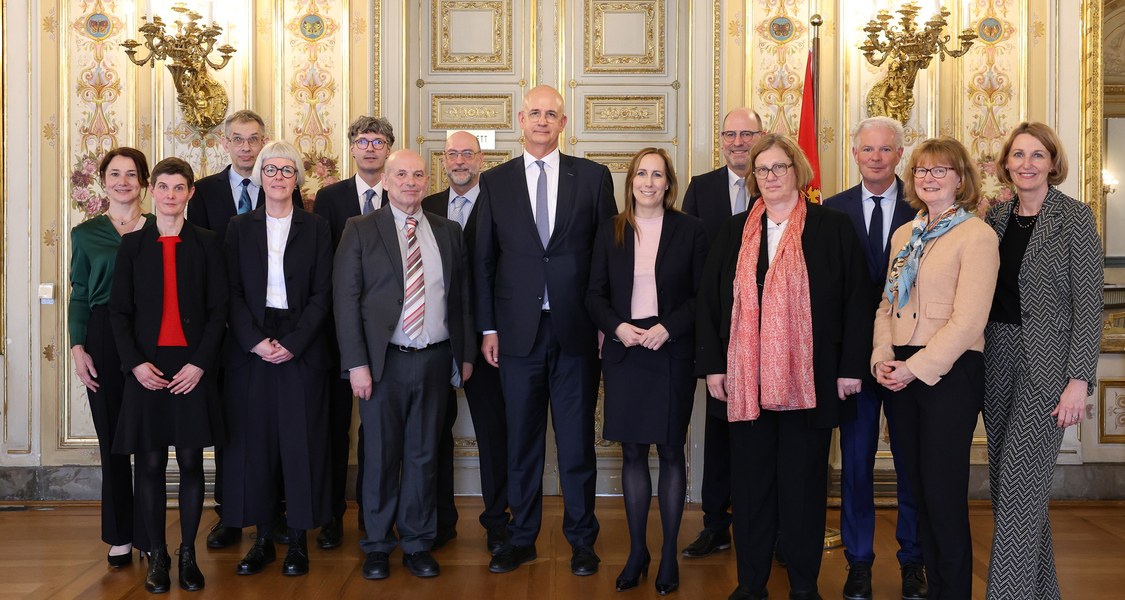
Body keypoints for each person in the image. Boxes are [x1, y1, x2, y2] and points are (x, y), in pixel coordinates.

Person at [697, 133, 870, 600]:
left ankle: (803, 586)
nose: (770, 177)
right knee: (751, 493)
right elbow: (710, 303)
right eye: (762, 170)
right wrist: (714, 367)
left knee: (803, 491)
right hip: (745, 382)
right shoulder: (734, 231)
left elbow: (857, 301)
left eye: (779, 168)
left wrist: (851, 368)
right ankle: (751, 585)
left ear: (798, 171)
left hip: (810, 382)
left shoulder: (831, 227)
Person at [474, 84, 617, 576]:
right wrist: (488, 328)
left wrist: (605, 323)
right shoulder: (495, 182)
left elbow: (607, 259)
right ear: (520, 119)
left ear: (563, 122)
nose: (542, 120)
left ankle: (581, 539)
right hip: (516, 335)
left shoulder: (593, 177)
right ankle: (521, 537)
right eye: (534, 113)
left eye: (551, 113)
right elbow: (484, 261)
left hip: (576, 331)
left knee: (577, 442)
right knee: (522, 443)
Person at [334, 149, 476, 581]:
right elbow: (346, 302)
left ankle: (417, 543)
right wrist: (357, 363)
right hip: (383, 364)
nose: (410, 182)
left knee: (423, 455)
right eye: (401, 174)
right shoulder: (359, 229)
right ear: (388, 180)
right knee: (378, 456)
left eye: (418, 174)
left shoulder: (447, 231)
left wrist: (464, 355)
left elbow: (461, 298)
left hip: (434, 360)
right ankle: (377, 544)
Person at [872, 137, 999, 600]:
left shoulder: (977, 235)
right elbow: (885, 305)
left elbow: (968, 321)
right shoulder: (904, 235)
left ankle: (953, 592)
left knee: (943, 495)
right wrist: (883, 357)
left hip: (951, 371)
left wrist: (915, 368)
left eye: (940, 170)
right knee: (916, 490)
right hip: (900, 369)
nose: (929, 178)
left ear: (961, 179)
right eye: (922, 171)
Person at [983, 122, 1103, 599]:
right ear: (1006, 164)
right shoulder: (993, 220)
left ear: (1053, 162)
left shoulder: (1075, 218)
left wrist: (1079, 380)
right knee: (1011, 490)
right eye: (1018, 155)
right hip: (996, 360)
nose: (1027, 164)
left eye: (1038, 155)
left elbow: (1088, 303)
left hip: (1049, 370)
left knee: (1017, 491)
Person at [586, 148, 708, 595]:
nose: (649, 182)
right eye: (642, 174)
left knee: (671, 451)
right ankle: (638, 552)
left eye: (658, 175)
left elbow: (702, 295)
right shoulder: (610, 230)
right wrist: (617, 327)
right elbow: (593, 294)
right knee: (633, 454)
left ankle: (669, 555)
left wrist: (668, 329)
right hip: (625, 350)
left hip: (669, 348)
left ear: (669, 183)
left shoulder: (691, 230)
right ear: (631, 181)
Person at [109, 157, 228, 594]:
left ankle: (188, 556)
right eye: (163, 186)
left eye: (180, 188)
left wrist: (200, 364)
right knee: (152, 463)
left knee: (193, 462)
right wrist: (136, 365)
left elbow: (219, 312)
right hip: (148, 369)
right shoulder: (133, 246)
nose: (171, 195)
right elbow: (118, 313)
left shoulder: (209, 244)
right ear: (151, 191)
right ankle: (157, 554)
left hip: (192, 368)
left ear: (190, 193)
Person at [822, 116, 926, 600]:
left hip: (910, 360)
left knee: (911, 464)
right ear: (855, 152)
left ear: (900, 154)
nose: (877, 158)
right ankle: (858, 562)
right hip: (853, 363)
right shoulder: (832, 209)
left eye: (886, 150)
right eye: (868, 150)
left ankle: (913, 562)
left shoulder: (927, 205)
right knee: (856, 465)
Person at [189, 109, 302, 550]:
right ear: (225, 143)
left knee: (275, 427)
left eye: (254, 139)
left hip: (274, 327)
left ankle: (275, 514)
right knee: (233, 427)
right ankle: (231, 516)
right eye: (237, 139)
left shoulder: (280, 186)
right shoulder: (205, 192)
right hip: (223, 327)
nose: (246, 147)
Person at [222, 141, 334, 577]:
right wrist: (253, 341)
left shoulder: (318, 226)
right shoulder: (238, 226)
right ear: (260, 176)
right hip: (252, 346)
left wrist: (296, 341)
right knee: (256, 446)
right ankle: (263, 540)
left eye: (288, 170)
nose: (279, 177)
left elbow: (325, 292)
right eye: (271, 170)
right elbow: (228, 291)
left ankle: (298, 543)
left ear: (298, 178)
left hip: (301, 343)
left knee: (300, 444)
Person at [422, 131, 511, 553]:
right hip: (436, 337)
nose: (460, 161)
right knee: (434, 432)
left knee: (494, 432)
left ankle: (497, 520)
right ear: (443, 160)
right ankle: (440, 520)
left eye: (468, 154)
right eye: (453, 153)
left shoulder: (504, 200)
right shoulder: (426, 207)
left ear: (481, 159)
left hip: (490, 338)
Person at [680, 107, 763, 558]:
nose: (737, 142)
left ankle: (766, 527)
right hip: (718, 327)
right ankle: (716, 525)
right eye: (729, 134)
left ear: (760, 136)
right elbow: (688, 259)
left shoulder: (779, 185)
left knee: (765, 428)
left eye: (745, 133)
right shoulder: (703, 187)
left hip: (769, 328)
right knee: (720, 429)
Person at [312, 115, 396, 548]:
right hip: (337, 332)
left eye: (378, 141)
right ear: (352, 147)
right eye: (362, 141)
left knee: (377, 429)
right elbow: (325, 266)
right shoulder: (330, 198)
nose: (369, 148)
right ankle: (330, 515)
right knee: (334, 425)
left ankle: (372, 512)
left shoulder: (401, 193)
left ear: (388, 149)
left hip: (388, 335)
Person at [69, 147, 154, 568]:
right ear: (104, 181)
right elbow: (80, 295)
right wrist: (77, 347)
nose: (123, 181)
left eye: (132, 174)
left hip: (152, 339)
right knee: (114, 440)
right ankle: (120, 534)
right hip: (102, 338)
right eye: (115, 174)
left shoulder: (162, 227)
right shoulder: (85, 234)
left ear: (144, 183)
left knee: (151, 441)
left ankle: (151, 534)